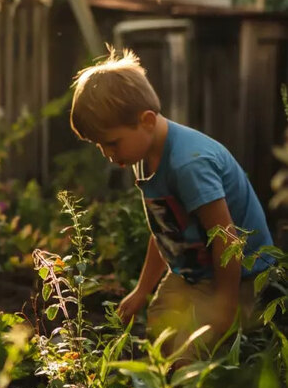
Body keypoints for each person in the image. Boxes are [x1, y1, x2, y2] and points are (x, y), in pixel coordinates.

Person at [69, 48, 274, 360]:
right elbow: (165, 231)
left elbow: (227, 239)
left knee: (193, 355)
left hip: (239, 276)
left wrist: (225, 304)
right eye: (99, 145)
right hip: (194, 270)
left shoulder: (189, 164)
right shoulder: (142, 157)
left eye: (111, 143)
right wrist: (141, 290)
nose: (107, 154)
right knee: (161, 330)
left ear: (147, 121)